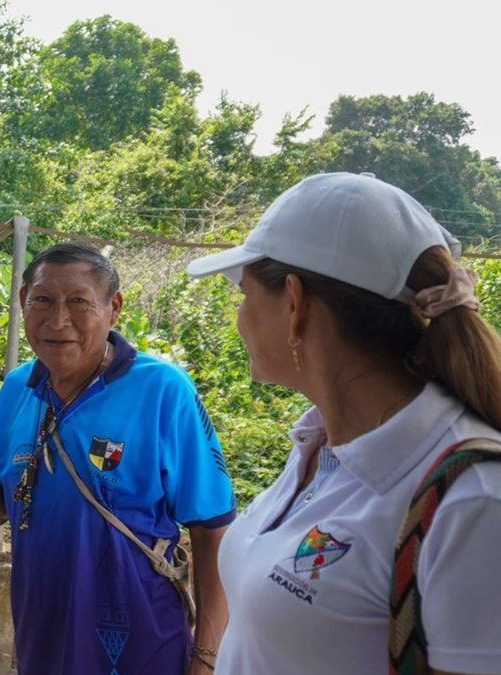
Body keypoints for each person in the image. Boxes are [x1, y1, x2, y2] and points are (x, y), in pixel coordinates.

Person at [186, 172, 501, 674]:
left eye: (243, 295)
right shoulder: (321, 445)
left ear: (295, 302)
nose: (240, 318)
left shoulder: (475, 500)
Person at [0, 242, 236, 674]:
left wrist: (205, 659)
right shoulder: (19, 389)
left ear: (114, 308)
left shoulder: (163, 390)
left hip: (144, 652)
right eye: (43, 301)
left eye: (78, 302)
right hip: (42, 648)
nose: (58, 321)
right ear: (22, 303)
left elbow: (214, 530)